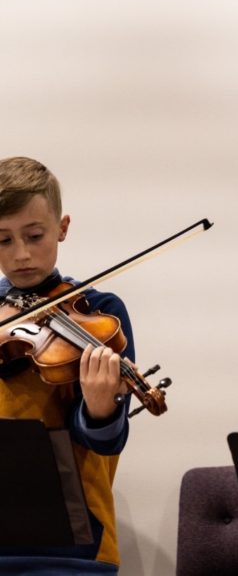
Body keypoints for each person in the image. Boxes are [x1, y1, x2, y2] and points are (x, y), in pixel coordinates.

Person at [0, 157, 136, 574]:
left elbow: (104, 441)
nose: (21, 254)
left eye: (35, 235)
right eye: (3, 240)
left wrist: (100, 408)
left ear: (62, 227)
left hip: (71, 549)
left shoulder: (98, 312)